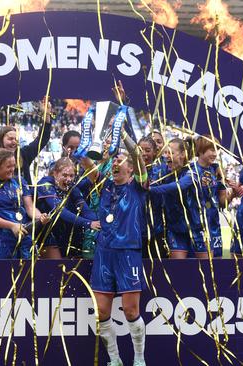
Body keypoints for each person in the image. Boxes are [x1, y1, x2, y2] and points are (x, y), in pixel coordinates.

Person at [86, 130, 148, 366]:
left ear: (131, 169)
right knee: (101, 312)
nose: (115, 164)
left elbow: (137, 155)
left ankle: (139, 359)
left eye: (120, 161)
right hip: (104, 253)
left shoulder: (138, 187)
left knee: (131, 311)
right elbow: (85, 159)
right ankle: (115, 359)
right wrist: (89, 136)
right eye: (113, 161)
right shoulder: (104, 184)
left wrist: (123, 135)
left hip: (128, 252)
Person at [149, 137, 229, 259]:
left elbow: (180, 186)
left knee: (208, 269)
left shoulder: (200, 170)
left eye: (170, 152)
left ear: (182, 154)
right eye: (165, 152)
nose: (166, 156)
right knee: (178, 269)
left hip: (201, 227)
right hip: (178, 227)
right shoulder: (168, 170)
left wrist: (150, 190)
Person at [0, 148, 48, 259]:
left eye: (14, 165)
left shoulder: (20, 181)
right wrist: (12, 226)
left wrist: (40, 217)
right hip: (2, 239)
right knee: (5, 273)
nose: (12, 170)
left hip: (25, 234)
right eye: (8, 167)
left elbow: (29, 207)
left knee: (29, 272)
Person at [36, 158, 100, 259]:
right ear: (55, 173)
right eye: (64, 175)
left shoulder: (71, 187)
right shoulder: (46, 184)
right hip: (49, 235)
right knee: (57, 270)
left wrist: (101, 222)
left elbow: (84, 210)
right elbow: (59, 211)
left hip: (68, 235)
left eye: (71, 176)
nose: (69, 179)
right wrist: (88, 223)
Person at [0, 99, 53, 185]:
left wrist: (46, 114)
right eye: (10, 139)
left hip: (25, 197)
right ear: (1, 140)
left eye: (16, 139)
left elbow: (42, 139)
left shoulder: (24, 154)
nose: (14, 142)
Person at [139, 135, 168, 259]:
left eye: (148, 150)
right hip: (135, 230)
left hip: (157, 229)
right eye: (140, 150)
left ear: (156, 152)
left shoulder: (162, 170)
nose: (144, 154)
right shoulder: (130, 169)